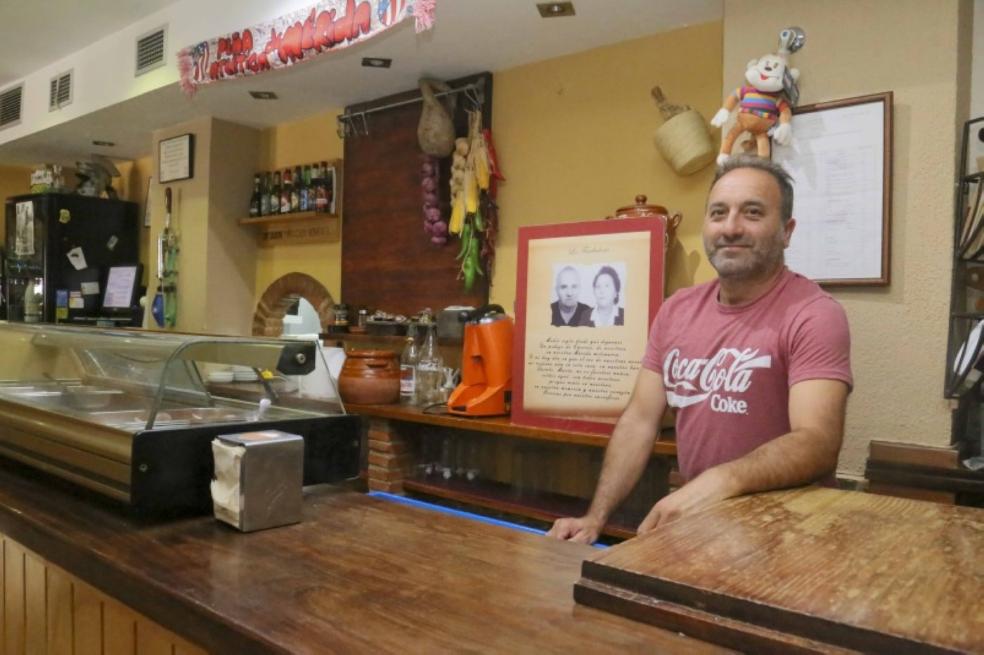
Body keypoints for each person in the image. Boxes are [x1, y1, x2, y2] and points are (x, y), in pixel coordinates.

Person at [548, 155, 852, 544]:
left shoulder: (814, 315)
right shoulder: (677, 310)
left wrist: (725, 478)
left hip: (788, 538)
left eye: (753, 213)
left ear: (786, 231)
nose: (731, 228)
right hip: (702, 533)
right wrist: (595, 518)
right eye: (718, 213)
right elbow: (640, 421)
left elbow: (817, 441)